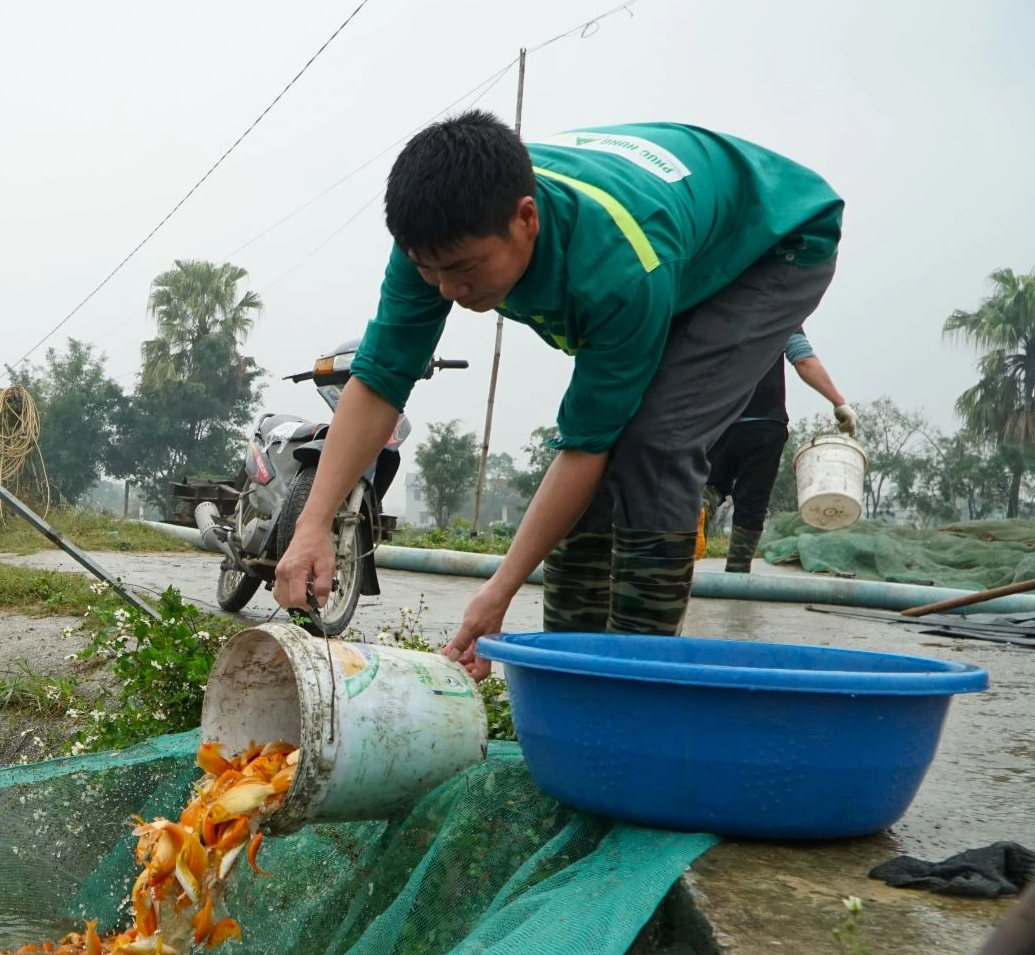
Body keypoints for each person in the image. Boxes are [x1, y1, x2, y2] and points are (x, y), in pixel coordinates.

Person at [272, 113, 843, 679]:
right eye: (430, 270)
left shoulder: (617, 269)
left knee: (655, 443)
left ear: (526, 219)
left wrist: (498, 592)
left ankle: (629, 685)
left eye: (465, 270)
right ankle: (570, 673)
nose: (448, 290)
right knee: (604, 450)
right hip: (683, 224)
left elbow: (587, 446)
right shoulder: (435, 239)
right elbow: (379, 380)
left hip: (775, 239)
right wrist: (312, 525)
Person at [705, 332, 856, 573]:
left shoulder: (717, 305)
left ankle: (681, 558)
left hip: (717, 419)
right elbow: (804, 360)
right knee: (752, 504)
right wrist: (839, 402)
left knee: (707, 489)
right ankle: (736, 573)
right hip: (764, 423)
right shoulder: (783, 308)